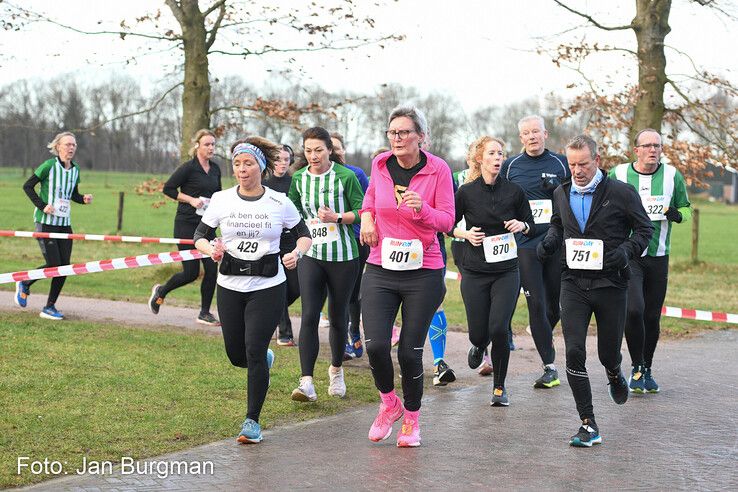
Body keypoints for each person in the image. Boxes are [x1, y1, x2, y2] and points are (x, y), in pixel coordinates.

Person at [537, 134, 653, 447]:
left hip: (611, 284)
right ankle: (588, 423)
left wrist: (626, 252)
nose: (577, 170)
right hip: (573, 283)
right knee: (574, 351)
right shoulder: (561, 193)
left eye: (583, 164)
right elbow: (558, 224)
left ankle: (615, 372)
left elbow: (645, 230)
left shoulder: (621, 192)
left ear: (597, 161)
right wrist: (550, 241)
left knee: (607, 354)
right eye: (572, 164)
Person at [194, 137, 311, 444]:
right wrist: (211, 250)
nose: (242, 170)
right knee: (237, 355)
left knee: (254, 351)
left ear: (261, 167)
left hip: (268, 286)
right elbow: (200, 235)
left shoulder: (278, 202)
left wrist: (296, 253)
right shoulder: (221, 199)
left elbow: (304, 235)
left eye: (248, 164)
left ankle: (252, 422)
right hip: (230, 285)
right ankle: (261, 358)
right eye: (237, 164)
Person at [361, 105, 454, 447]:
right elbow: (370, 200)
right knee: (375, 346)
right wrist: (367, 219)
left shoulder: (438, 169)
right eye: (392, 133)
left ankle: (412, 420)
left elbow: (447, 220)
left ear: (421, 137)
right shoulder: (380, 163)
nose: (397, 138)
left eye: (404, 133)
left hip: (423, 270)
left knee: (410, 354)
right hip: (380, 266)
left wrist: (423, 209)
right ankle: (389, 405)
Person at [454, 136, 536, 406]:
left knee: (500, 328)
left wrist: (520, 225)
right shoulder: (466, 192)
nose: (498, 158)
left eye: (501, 153)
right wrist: (466, 234)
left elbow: (531, 224)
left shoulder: (514, 191)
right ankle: (478, 344)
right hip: (475, 270)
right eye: (492, 153)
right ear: (480, 159)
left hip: (506, 271)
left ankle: (499, 387)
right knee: (479, 332)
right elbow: (446, 224)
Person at [610, 129, 691, 394]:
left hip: (658, 256)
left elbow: (686, 209)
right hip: (630, 254)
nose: (653, 150)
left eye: (657, 145)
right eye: (647, 146)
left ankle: (647, 368)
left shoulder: (672, 175)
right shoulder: (619, 174)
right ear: (637, 150)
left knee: (651, 316)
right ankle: (635, 366)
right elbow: (604, 203)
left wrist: (676, 214)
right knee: (633, 309)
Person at [288, 127, 364, 401]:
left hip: (343, 256)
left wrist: (337, 218)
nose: (313, 155)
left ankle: (336, 369)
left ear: (329, 150)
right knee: (309, 315)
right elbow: (292, 210)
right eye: (308, 150)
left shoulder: (346, 176)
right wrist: (297, 230)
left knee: (337, 315)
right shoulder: (298, 178)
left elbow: (362, 211)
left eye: (318, 150)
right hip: (312, 255)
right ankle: (306, 381)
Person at [500, 115, 570, 389]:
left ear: (545, 134)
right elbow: (501, 198)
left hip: (556, 242)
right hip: (526, 246)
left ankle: (541, 332)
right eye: (526, 133)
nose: (531, 137)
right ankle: (549, 366)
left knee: (556, 306)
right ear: (521, 138)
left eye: (536, 132)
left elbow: (573, 196)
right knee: (536, 304)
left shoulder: (561, 163)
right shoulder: (511, 166)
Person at [15, 131, 93, 319]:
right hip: (45, 222)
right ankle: (24, 282)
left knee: (64, 267)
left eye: (74, 145)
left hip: (64, 224)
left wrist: (83, 198)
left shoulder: (75, 170)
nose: (71, 148)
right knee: (54, 264)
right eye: (67, 144)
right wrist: (43, 206)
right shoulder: (49, 166)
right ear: (58, 147)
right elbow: (27, 186)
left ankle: (49, 307)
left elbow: (72, 195)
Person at [149, 129, 222, 325]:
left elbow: (219, 195)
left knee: (211, 269)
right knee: (190, 273)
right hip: (186, 224)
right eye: (207, 144)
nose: (211, 148)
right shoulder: (188, 168)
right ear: (197, 146)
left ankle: (204, 312)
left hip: (207, 226)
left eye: (213, 144)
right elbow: (168, 189)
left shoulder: (215, 169)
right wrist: (191, 200)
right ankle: (161, 291)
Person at [452, 144, 493, 376]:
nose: (473, 161)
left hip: (489, 246)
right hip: (462, 244)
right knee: (476, 297)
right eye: (471, 156)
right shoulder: (456, 178)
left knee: (493, 296)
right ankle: (482, 346)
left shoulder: (493, 179)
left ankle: (493, 338)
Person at [329, 132, 370, 360]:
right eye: (330, 148)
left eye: (337, 148)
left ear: (343, 150)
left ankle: (354, 328)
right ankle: (343, 339)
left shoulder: (356, 173)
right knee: (336, 293)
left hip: (355, 240)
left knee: (353, 293)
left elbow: (367, 205)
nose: (334, 152)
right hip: (329, 242)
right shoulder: (317, 177)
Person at [263, 144, 300, 346]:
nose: (282, 163)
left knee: (295, 286)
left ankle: (269, 314)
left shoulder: (294, 183)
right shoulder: (264, 183)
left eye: (286, 159)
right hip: (270, 240)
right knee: (279, 284)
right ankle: (284, 332)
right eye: (278, 159)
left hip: (291, 241)